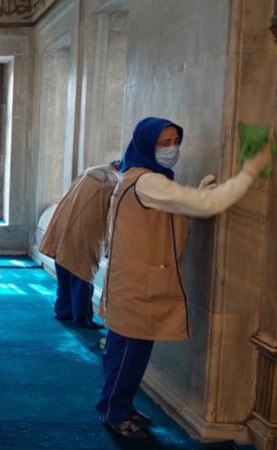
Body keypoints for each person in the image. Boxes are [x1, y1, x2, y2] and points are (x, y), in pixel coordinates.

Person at [95, 117, 274, 440]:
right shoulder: (147, 181)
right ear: (146, 145)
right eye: (163, 143)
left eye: (175, 141)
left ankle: (122, 405)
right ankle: (113, 411)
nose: (172, 149)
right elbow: (208, 206)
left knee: (132, 350)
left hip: (133, 282)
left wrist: (198, 192)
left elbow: (173, 207)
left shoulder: (139, 178)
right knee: (126, 353)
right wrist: (249, 170)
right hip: (137, 285)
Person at [39, 160, 121, 329]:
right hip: (86, 233)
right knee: (83, 276)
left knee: (65, 272)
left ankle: (63, 312)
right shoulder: (114, 181)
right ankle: (82, 319)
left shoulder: (92, 171)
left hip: (64, 226)